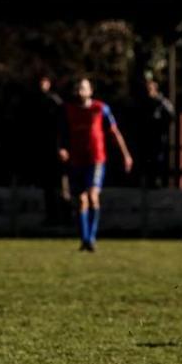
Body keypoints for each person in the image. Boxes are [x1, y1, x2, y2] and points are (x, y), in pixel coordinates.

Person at [58, 77, 134, 252]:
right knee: (81, 200)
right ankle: (85, 239)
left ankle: (91, 238)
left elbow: (115, 133)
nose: (80, 91)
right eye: (78, 88)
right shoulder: (69, 110)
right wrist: (62, 149)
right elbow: (62, 134)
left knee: (92, 196)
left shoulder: (100, 109)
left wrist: (126, 154)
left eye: (83, 88)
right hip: (77, 160)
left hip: (96, 159)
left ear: (90, 91)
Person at [28, 76, 69, 224]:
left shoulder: (55, 102)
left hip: (56, 150)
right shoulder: (36, 102)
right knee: (49, 186)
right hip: (46, 150)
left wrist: (62, 147)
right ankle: (52, 216)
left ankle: (65, 216)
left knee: (62, 185)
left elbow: (61, 128)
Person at [139, 79, 176, 188]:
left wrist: (162, 124)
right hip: (147, 136)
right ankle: (147, 180)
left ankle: (158, 180)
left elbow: (171, 114)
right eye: (147, 89)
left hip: (158, 136)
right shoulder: (144, 102)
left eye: (150, 89)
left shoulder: (161, 102)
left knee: (158, 159)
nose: (149, 91)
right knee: (147, 159)